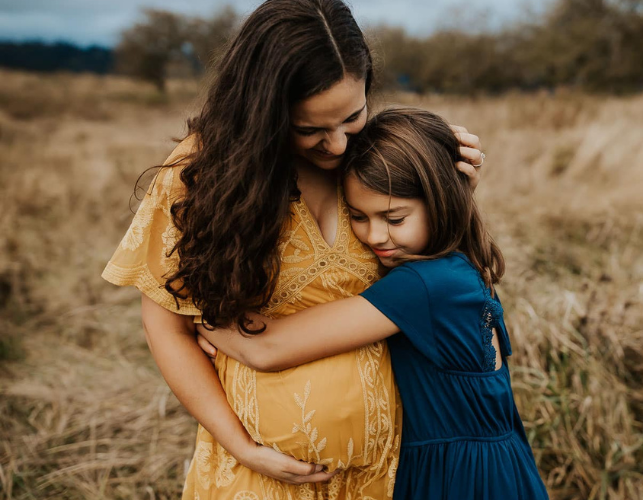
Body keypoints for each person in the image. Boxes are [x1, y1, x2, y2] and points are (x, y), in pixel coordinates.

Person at [101, 0, 484, 498]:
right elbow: (167, 324)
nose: (338, 145)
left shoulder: (379, 159)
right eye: (309, 130)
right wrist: (241, 447)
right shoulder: (201, 178)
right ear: (263, 111)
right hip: (258, 473)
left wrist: (450, 190)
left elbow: (437, 280)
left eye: (352, 116)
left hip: (385, 471)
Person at [197, 108, 549, 500]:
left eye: (394, 218)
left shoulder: (423, 285)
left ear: (443, 201)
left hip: (458, 478)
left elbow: (267, 348)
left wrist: (203, 318)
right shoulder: (460, 263)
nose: (375, 236)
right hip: (499, 467)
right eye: (358, 217)